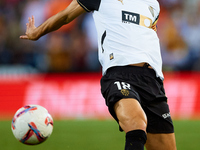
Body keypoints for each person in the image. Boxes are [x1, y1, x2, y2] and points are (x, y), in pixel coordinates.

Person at [20, 0, 177, 149]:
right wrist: (37, 32)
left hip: (153, 80)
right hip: (119, 74)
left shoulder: (153, 4)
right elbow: (66, 15)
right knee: (136, 123)